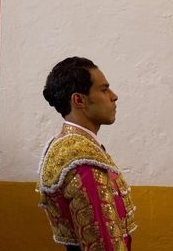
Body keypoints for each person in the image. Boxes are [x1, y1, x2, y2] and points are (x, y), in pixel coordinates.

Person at [37, 57, 137, 251]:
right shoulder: (84, 161)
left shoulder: (66, 146)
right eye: (103, 89)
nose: (113, 96)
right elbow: (104, 243)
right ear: (79, 100)